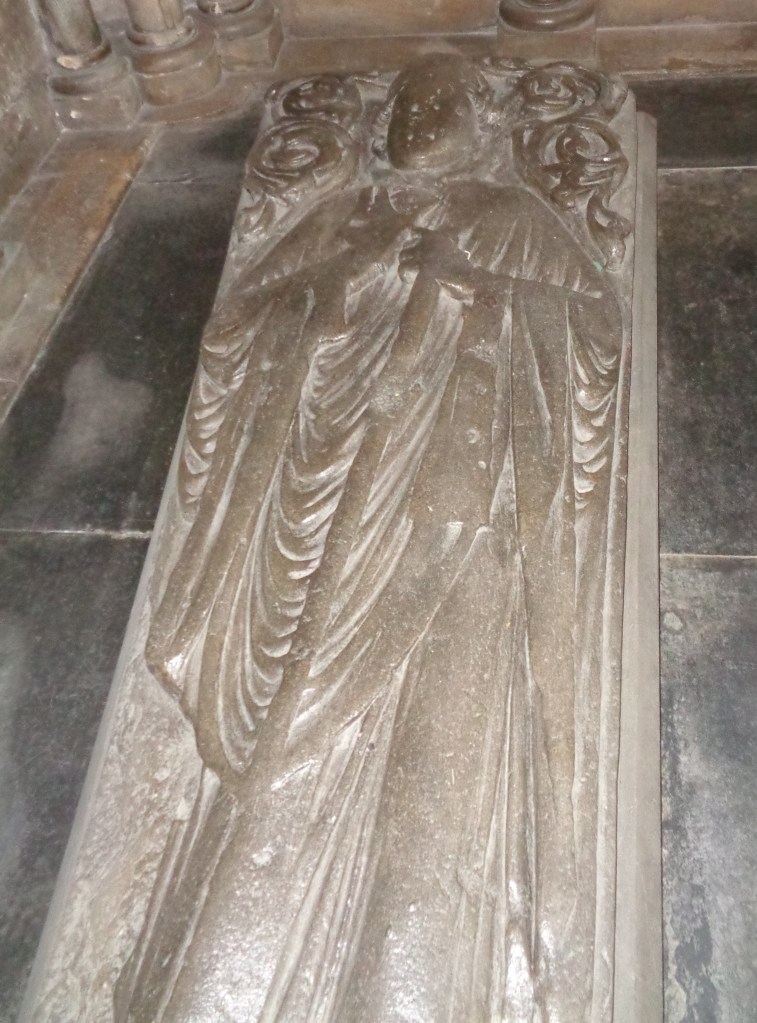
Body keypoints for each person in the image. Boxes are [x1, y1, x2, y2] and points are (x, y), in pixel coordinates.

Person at [117, 55, 624, 1023]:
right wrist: (340, 282)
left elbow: (595, 334)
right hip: (315, 514)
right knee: (274, 763)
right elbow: (232, 333)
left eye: (441, 100)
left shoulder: (514, 216)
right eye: (404, 100)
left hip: (456, 514)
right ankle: (216, 986)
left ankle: (411, 991)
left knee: (434, 772)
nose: (417, 114)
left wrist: (474, 283)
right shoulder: (341, 216)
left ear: (484, 121)